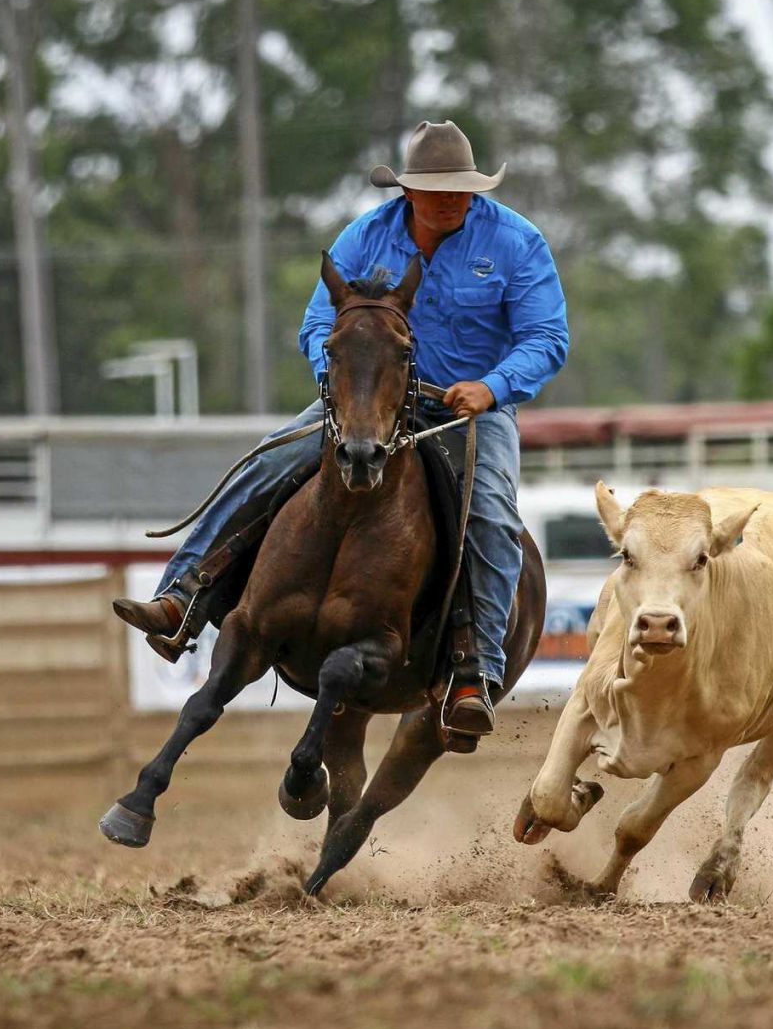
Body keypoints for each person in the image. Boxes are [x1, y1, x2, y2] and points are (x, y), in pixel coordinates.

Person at [114, 120, 569, 736]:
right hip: (367, 400)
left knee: (488, 508)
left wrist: (492, 387)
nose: (453, 200)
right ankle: (183, 598)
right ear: (408, 192)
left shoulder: (517, 243)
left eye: (462, 189)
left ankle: (477, 671)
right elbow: (314, 328)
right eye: (438, 190)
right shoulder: (366, 236)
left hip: (469, 412)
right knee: (267, 464)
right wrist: (349, 385)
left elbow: (547, 338)